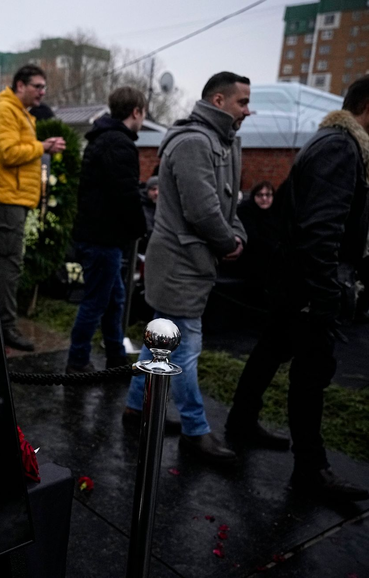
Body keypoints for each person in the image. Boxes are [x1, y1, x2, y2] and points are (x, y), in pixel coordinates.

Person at [225, 77, 369, 501]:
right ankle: (311, 468)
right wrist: (326, 291)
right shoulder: (342, 148)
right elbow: (321, 228)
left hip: (297, 278)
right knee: (311, 372)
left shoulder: (330, 142)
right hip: (309, 282)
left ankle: (240, 422)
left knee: (271, 350)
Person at [125, 72, 251, 464]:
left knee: (159, 340)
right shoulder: (196, 141)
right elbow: (203, 209)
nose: (248, 110)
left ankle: (134, 409)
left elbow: (230, 205)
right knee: (186, 347)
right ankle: (196, 431)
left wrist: (238, 234)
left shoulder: (224, 140)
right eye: (241, 102)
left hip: (192, 260)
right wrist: (228, 242)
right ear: (218, 100)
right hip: (182, 263)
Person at [0, 65, 66, 351]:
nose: (42, 92)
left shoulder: (18, 112)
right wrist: (42, 147)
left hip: (15, 197)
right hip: (8, 198)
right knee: (8, 264)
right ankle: (4, 327)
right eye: (38, 86)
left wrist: (42, 146)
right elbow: (8, 153)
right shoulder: (5, 110)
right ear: (20, 85)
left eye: (44, 87)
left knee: (8, 262)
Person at [66, 87, 148, 373]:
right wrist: (141, 227)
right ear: (136, 111)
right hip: (103, 238)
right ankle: (77, 361)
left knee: (114, 299)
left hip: (99, 235)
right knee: (96, 301)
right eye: (143, 112)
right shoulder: (119, 143)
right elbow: (126, 194)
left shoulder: (102, 139)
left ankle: (116, 357)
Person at [229, 181, 281, 291]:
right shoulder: (246, 211)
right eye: (260, 195)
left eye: (268, 195)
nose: (264, 199)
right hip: (251, 262)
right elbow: (253, 238)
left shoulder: (275, 213)